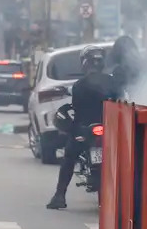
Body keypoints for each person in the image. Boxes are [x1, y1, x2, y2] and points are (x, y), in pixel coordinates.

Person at [46, 44, 115, 210]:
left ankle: (59, 195)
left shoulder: (79, 85)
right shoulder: (113, 82)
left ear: (85, 63)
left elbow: (77, 110)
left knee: (69, 157)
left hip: (86, 130)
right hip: (111, 130)